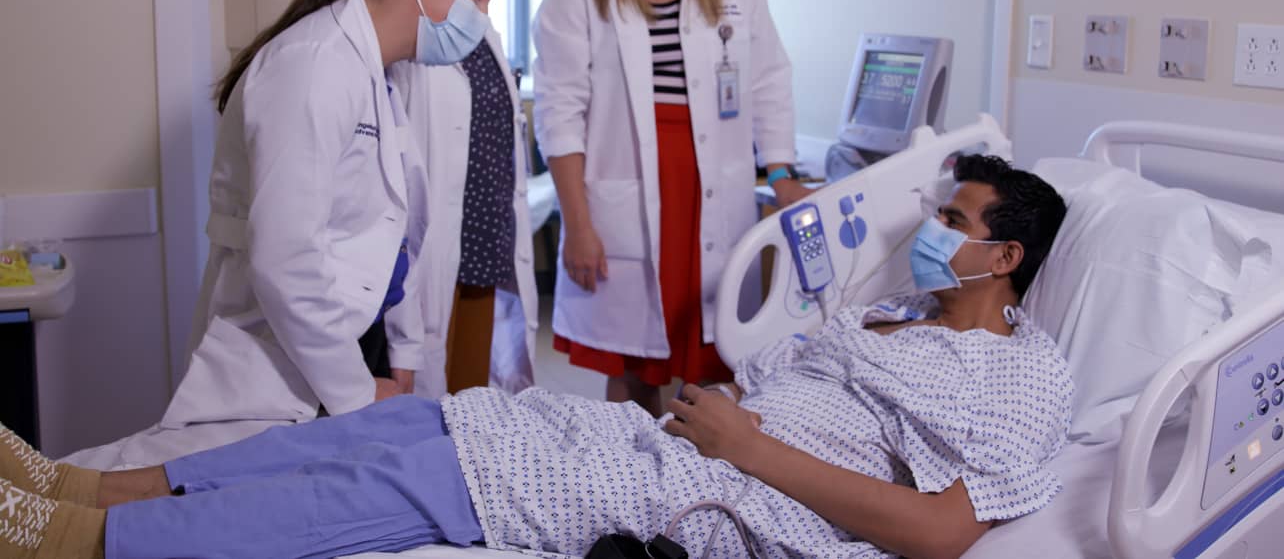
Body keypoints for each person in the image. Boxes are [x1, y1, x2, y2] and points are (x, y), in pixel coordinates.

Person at [0, 155, 1072, 559]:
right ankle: (92, 482)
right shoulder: (889, 317)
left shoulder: (1025, 374)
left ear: (1007, 253)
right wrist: (726, 405)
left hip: (734, 494)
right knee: (406, 419)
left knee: (420, 473)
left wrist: (745, 441)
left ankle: (93, 541)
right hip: (682, 441)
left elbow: (938, 529)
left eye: (954, 216)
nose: (929, 227)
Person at [158, 0, 502, 428]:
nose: (481, 17)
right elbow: (286, 258)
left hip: (353, 335)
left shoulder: (383, 72)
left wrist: (404, 349)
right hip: (286, 352)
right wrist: (357, 390)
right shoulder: (314, 65)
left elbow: (395, 229)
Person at [532, 0, 810, 415]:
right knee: (632, 365)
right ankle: (629, 475)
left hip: (713, 190)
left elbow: (768, 81)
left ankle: (694, 484)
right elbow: (561, 115)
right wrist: (578, 225)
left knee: (710, 359)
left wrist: (782, 173)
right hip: (627, 188)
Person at [388, 0, 540, 397]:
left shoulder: (479, 28)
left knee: (474, 415)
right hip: (427, 265)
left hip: (483, 254)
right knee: (425, 416)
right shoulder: (402, 43)